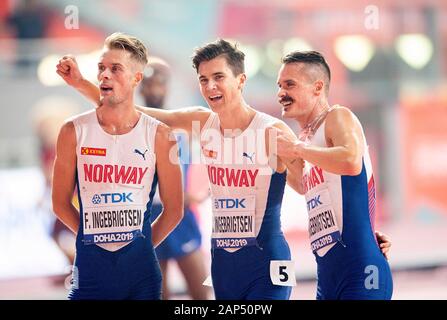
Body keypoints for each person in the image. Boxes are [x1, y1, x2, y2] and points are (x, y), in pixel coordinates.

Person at [56, 39, 392, 300]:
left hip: (269, 262)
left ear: (241, 80)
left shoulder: (275, 132)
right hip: (224, 263)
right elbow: (135, 113)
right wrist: (83, 85)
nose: (210, 86)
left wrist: (366, 229)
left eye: (219, 77)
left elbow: (317, 179)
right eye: (203, 80)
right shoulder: (202, 123)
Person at [52, 32, 184, 300]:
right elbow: (59, 203)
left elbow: (174, 209)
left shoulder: (160, 135)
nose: (104, 75)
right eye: (101, 68)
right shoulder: (72, 131)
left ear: (137, 78)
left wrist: (141, 244)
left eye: (115, 69)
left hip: (141, 275)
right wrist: (92, 236)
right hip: (89, 272)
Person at [275, 51, 393, 299]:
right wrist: (275, 153)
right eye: (280, 86)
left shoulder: (338, 117)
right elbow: (301, 185)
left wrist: (297, 149)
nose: (281, 94)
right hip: (328, 279)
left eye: (290, 85)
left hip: (362, 273)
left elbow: (351, 161)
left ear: (317, 87)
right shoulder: (305, 139)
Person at [140, 58, 209, 300]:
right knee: (158, 293)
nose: (154, 90)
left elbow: (214, 154)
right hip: (149, 217)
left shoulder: (183, 128)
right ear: (140, 87)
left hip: (181, 216)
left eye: (159, 84)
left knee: (201, 291)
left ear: (167, 87)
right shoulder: (134, 128)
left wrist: (202, 193)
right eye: (148, 84)